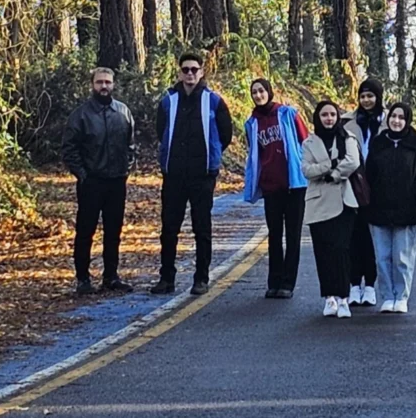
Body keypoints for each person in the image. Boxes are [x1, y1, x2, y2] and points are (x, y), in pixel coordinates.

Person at [151, 54, 234, 296]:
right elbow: (161, 131)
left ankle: (201, 278)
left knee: (202, 227)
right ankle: (166, 278)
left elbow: (225, 134)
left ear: (201, 72)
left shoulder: (214, 101)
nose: (189, 74)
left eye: (194, 69)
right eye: (185, 69)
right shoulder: (168, 101)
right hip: (174, 174)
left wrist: (211, 157)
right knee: (169, 228)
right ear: (179, 72)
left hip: (202, 175)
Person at [62, 67, 137, 296]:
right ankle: (83, 279)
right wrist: (83, 175)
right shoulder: (81, 115)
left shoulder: (122, 112)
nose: (103, 86)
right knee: (86, 231)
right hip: (91, 183)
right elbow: (69, 149)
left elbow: (131, 144)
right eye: (99, 82)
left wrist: (127, 169)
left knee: (113, 231)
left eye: (107, 82)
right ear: (92, 85)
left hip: (116, 182)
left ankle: (111, 277)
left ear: (113, 84)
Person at [364, 102, 416, 314]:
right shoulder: (378, 143)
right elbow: (369, 174)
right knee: (382, 257)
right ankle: (387, 296)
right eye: (394, 116)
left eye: (401, 117)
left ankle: (401, 296)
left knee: (403, 258)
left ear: (408, 120)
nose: (397, 121)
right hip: (379, 210)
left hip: (408, 210)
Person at [243, 78, 309, 299]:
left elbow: (305, 141)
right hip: (271, 186)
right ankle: (274, 282)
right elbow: (254, 154)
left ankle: (288, 283)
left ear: (269, 92)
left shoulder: (288, 114)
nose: (259, 95)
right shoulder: (252, 123)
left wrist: (306, 169)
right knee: (274, 235)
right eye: (255, 92)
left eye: (262, 91)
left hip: (294, 184)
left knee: (292, 235)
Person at [302, 102, 362, 319]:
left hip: (344, 201)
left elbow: (353, 161)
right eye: (324, 115)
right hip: (318, 203)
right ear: (318, 117)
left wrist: (334, 174)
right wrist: (332, 165)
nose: (329, 118)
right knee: (323, 251)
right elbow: (307, 170)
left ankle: (344, 298)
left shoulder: (348, 139)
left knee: (342, 250)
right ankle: (329, 297)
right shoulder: (309, 142)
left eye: (332, 114)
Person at [341, 78, 385, 307]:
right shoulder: (346, 122)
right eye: (363, 96)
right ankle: (354, 284)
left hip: (380, 189)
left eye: (371, 96)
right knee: (354, 238)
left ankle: (370, 285)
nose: (366, 100)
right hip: (354, 187)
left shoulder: (389, 121)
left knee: (373, 239)